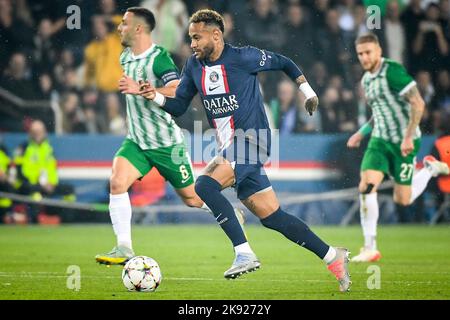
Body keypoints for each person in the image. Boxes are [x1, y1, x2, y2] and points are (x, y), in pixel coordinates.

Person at [139, 9, 351, 292]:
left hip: (253, 139)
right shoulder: (193, 66)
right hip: (231, 146)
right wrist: (154, 96)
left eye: (196, 37)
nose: (191, 44)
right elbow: (178, 106)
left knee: (204, 186)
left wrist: (308, 92)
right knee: (273, 217)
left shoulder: (244, 57)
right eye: (190, 38)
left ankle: (244, 252)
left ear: (216, 35)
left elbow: (284, 62)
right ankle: (331, 256)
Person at [95, 7, 246, 266]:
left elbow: (178, 89)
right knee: (117, 182)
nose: (119, 28)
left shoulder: (159, 57)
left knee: (192, 198)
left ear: (138, 28)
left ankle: (228, 211)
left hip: (166, 143)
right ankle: (124, 248)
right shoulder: (125, 57)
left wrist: (145, 89)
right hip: (137, 141)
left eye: (124, 24)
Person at [346, 33, 449, 262]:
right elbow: (379, 113)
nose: (364, 57)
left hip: (404, 142)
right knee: (366, 186)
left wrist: (408, 136)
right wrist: (360, 133)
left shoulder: (392, 71)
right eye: (360, 54)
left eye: (368, 52)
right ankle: (370, 247)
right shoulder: (366, 81)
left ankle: (430, 170)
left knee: (403, 199)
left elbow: (418, 103)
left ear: (379, 50)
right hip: (379, 142)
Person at [14, 120, 76, 222]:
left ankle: (66, 220)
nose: (37, 134)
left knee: (69, 190)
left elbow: (52, 169)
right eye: (35, 132)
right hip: (30, 184)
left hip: (48, 184)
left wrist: (51, 183)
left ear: (45, 132)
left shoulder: (48, 148)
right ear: (30, 133)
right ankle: (35, 221)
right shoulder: (24, 148)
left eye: (40, 131)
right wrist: (38, 182)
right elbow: (19, 172)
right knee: (34, 193)